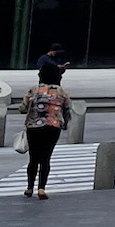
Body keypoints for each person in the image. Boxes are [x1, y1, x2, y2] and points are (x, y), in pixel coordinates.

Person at [21, 60, 71, 200]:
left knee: (33, 158)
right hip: (53, 127)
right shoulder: (61, 92)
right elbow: (67, 110)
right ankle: (41, 188)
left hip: (33, 127)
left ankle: (29, 187)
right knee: (46, 158)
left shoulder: (34, 89)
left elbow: (23, 108)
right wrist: (65, 124)